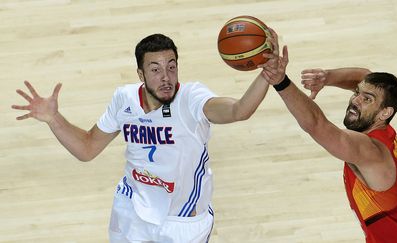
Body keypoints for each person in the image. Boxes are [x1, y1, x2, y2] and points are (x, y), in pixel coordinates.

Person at [11, 30, 283, 242]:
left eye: (172, 67)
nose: (166, 77)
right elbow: (87, 148)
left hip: (183, 221)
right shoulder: (124, 99)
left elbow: (239, 110)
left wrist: (266, 76)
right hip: (131, 211)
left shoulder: (191, 99)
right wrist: (53, 119)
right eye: (155, 69)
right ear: (140, 74)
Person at [260, 42, 397, 242]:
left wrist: (281, 81)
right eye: (356, 92)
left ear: (385, 112)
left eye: (366, 99)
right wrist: (327, 77)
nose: (355, 100)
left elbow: (318, 125)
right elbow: (365, 76)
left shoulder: (370, 151)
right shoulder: (384, 128)